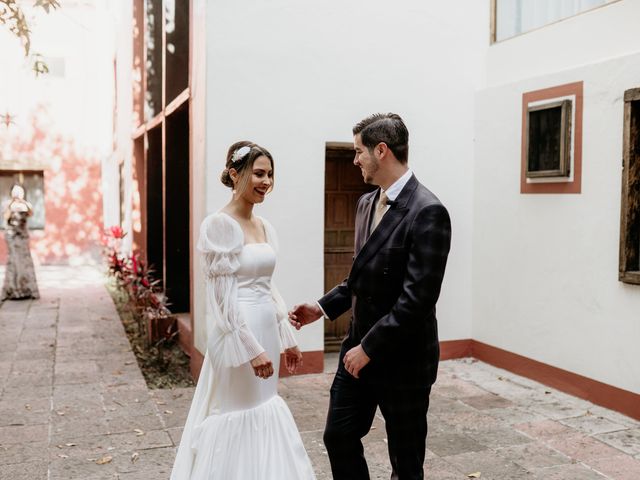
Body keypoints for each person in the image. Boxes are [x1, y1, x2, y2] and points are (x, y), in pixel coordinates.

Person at [289, 113, 452, 480]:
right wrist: (321, 307)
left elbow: (418, 300)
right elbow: (359, 279)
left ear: (381, 150)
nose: (355, 159)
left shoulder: (429, 211)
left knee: (406, 463)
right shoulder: (366, 205)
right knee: (338, 436)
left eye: (358, 151)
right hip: (356, 349)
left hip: (404, 360)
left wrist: (370, 349)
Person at [170, 141, 315, 479]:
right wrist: (251, 349)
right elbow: (221, 300)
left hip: (265, 327)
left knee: (265, 408)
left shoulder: (265, 227)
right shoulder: (219, 226)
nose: (266, 181)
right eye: (258, 173)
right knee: (241, 411)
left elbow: (268, 287)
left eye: (270, 175)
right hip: (237, 337)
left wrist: (286, 338)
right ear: (235, 174)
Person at [1, 184, 40, 301]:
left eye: (20, 191)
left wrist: (24, 202)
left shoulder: (26, 205)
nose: (18, 194)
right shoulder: (8, 205)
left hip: (23, 236)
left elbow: (31, 213)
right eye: (15, 191)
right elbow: (6, 218)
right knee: (14, 262)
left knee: (25, 262)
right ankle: (12, 290)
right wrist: (11, 204)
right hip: (12, 236)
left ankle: (27, 290)